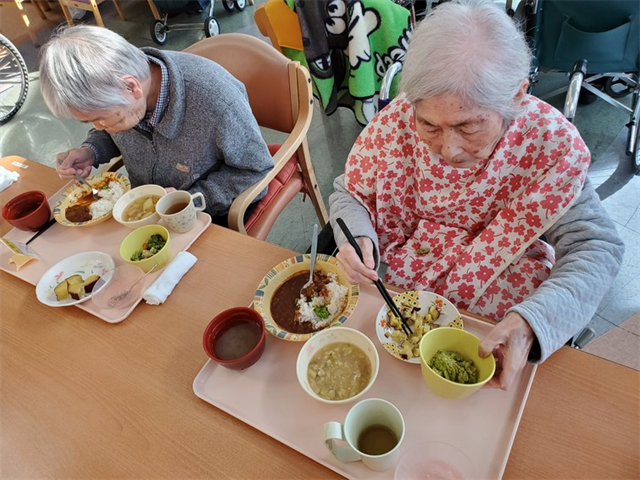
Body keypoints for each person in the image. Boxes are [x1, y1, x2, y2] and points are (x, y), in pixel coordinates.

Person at [329, 0, 624, 389]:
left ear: (517, 97)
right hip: (403, 290)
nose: (448, 151)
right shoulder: (399, 119)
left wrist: (535, 320)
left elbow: (596, 246)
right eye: (430, 125)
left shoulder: (547, 145)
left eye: (468, 127)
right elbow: (348, 192)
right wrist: (358, 235)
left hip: (504, 309)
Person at [39, 26, 274, 226]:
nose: (100, 127)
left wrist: (188, 199)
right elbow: (114, 129)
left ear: (131, 87)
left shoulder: (216, 100)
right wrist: (91, 150)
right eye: (89, 121)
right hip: (147, 211)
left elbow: (255, 169)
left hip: (209, 213)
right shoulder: (121, 92)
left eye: (102, 118)